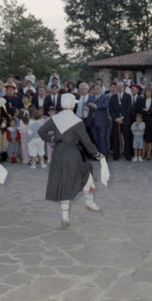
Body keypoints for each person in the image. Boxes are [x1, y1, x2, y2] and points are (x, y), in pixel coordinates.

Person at [40, 93, 105, 227]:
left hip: (58, 154)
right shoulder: (77, 121)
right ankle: (90, 202)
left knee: (64, 182)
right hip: (72, 154)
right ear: (72, 105)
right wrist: (97, 154)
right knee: (87, 175)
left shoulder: (55, 118)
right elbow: (86, 142)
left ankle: (65, 217)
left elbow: (41, 131)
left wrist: (52, 139)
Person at [109, 81, 133, 160]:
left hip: (125, 120)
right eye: (118, 86)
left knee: (126, 138)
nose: (119, 88)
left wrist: (122, 117)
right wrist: (116, 118)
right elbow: (111, 109)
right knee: (116, 138)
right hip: (116, 121)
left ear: (124, 87)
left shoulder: (128, 96)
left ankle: (127, 154)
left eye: (121, 86)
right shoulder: (113, 97)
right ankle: (116, 154)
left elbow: (129, 108)